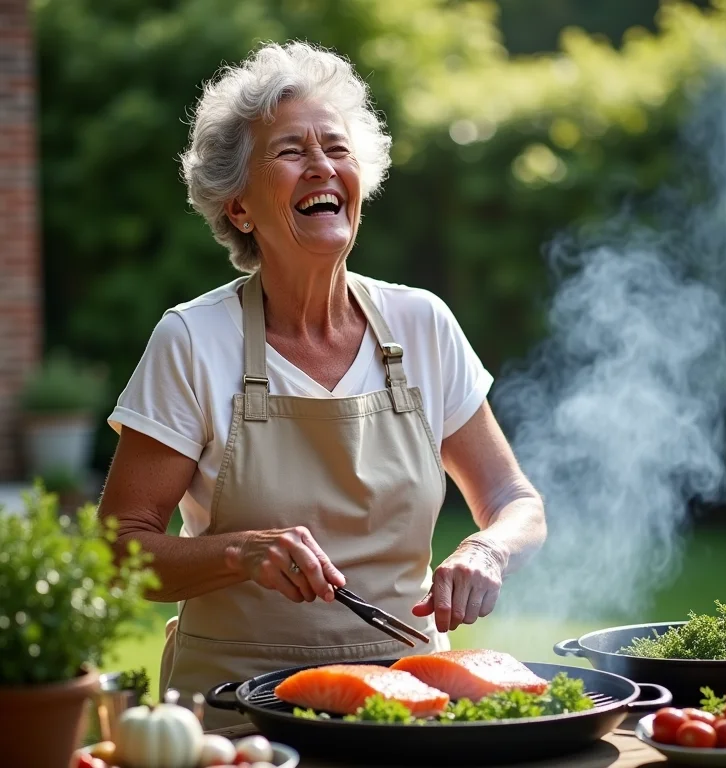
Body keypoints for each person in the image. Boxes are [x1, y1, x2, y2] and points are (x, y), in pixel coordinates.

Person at [99, 41, 546, 729]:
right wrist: (240, 553)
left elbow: (515, 501)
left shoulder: (422, 324)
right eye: (290, 151)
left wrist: (487, 549)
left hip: (409, 706)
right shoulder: (192, 340)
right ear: (239, 207)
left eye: (337, 148)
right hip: (240, 713)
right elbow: (119, 551)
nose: (322, 166)